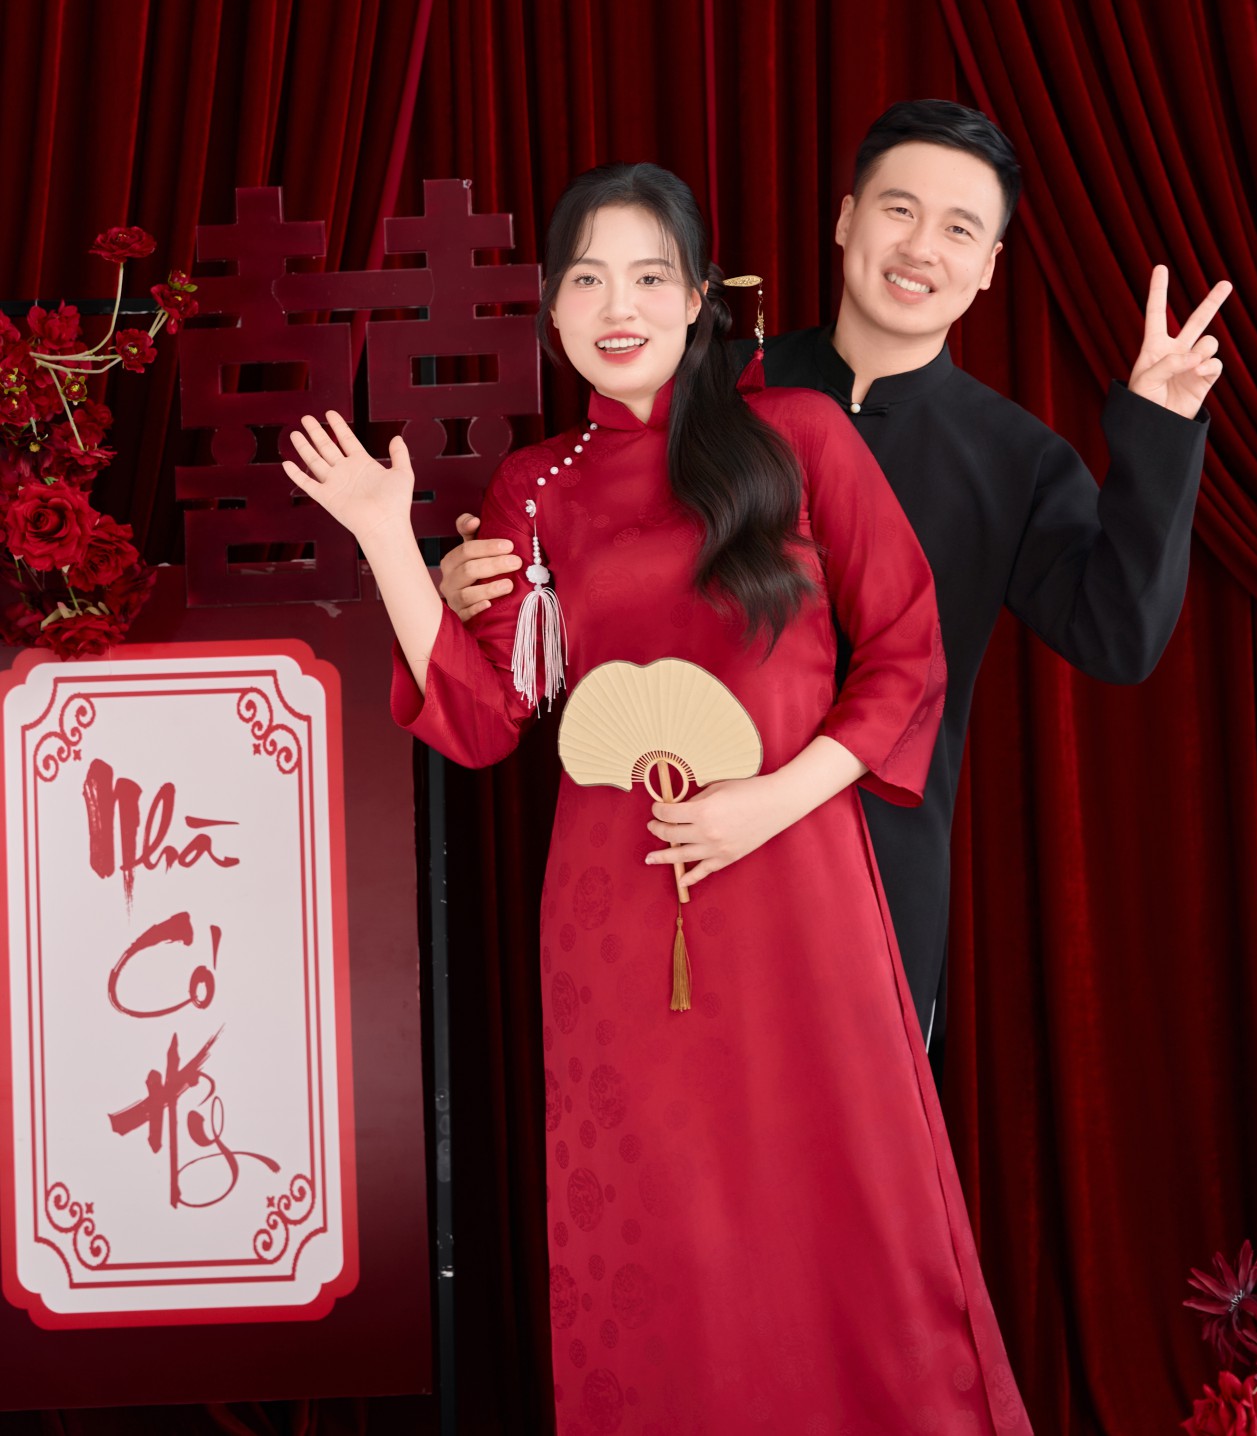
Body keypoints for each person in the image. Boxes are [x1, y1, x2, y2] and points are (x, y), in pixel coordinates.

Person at [284, 162, 1032, 1432]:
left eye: (648, 276)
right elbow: (480, 717)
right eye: (587, 279)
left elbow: (908, 653)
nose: (617, 306)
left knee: (846, 1205)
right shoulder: (536, 486)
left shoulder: (798, 435)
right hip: (615, 913)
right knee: (656, 1223)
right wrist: (383, 536)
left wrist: (771, 801)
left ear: (696, 298)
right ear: (552, 306)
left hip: (796, 876)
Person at [442, 102, 1230, 1074]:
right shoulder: (709, 387)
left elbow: (1118, 636)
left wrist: (1158, 432)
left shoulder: (1012, 457)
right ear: (845, 219)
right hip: (680, 846)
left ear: (989, 266)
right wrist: (481, 575)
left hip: (882, 867)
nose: (920, 248)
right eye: (898, 209)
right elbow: (581, 531)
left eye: (958, 229)